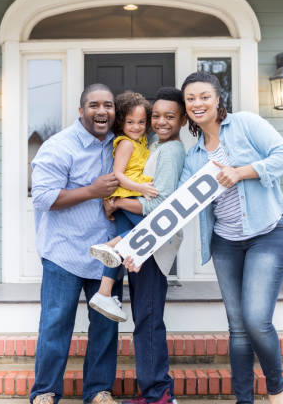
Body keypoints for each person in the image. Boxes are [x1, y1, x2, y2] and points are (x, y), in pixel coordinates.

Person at [178, 72, 283, 404]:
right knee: (238, 328)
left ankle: (276, 388)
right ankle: (243, 400)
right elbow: (179, 206)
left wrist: (241, 171)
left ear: (218, 99)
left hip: (268, 232)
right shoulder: (194, 157)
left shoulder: (245, 125)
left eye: (204, 96)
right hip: (226, 242)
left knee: (257, 320)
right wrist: (135, 245)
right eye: (191, 99)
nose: (197, 103)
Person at [29, 83, 122, 404]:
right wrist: (92, 191)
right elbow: (42, 197)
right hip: (63, 253)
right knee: (56, 325)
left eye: (108, 105)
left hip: (106, 255)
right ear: (81, 111)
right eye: (94, 105)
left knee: (105, 328)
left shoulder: (121, 145)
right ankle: (45, 391)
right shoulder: (59, 146)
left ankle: (98, 390)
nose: (102, 111)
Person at [113, 87, 187, 404]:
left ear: (183, 119)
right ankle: (154, 391)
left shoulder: (171, 151)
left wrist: (119, 202)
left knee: (149, 318)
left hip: (154, 247)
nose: (160, 121)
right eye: (155, 116)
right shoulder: (155, 145)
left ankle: (159, 393)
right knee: (145, 317)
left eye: (169, 116)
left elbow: (161, 206)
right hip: (143, 244)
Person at [88, 91, 158, 322]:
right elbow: (118, 174)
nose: (136, 127)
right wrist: (142, 188)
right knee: (153, 229)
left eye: (141, 122)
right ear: (121, 122)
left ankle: (104, 292)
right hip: (128, 195)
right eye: (130, 122)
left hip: (128, 197)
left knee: (126, 244)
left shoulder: (141, 141)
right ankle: (111, 245)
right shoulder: (126, 143)